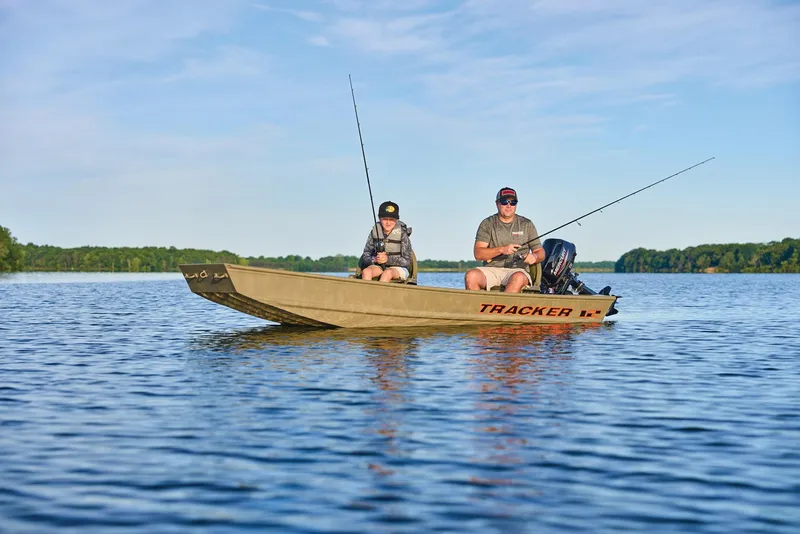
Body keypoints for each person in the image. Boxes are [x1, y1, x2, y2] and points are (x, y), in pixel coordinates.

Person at [464, 187, 545, 293]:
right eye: (504, 201)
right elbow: (478, 253)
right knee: (471, 275)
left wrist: (534, 257)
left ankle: (502, 308)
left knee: (518, 277)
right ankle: (477, 308)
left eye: (513, 202)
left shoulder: (527, 224)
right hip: (491, 270)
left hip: (518, 271)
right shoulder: (487, 224)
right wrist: (502, 250)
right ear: (497, 204)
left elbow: (540, 252)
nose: (508, 205)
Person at [359, 201, 414, 282]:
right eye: (385, 219)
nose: (388, 222)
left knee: (387, 273)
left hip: (399, 269)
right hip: (378, 266)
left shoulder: (402, 234)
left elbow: (407, 261)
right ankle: (367, 294)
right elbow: (365, 255)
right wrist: (374, 260)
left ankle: (380, 294)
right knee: (366, 272)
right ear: (379, 218)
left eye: (391, 219)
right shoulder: (374, 232)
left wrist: (387, 259)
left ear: (396, 220)